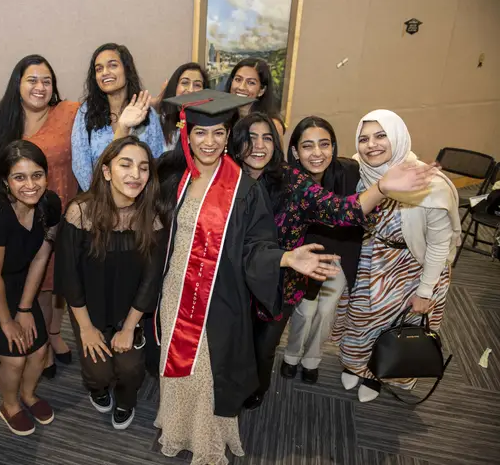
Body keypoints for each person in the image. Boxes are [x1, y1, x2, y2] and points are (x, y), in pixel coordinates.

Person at [153, 90, 342, 465]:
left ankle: (206, 439)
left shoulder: (243, 188)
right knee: (174, 362)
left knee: (208, 369)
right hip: (175, 287)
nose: (210, 141)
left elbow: (256, 244)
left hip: (218, 293)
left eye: (219, 133)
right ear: (186, 135)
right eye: (201, 133)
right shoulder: (174, 177)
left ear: (227, 137)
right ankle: (175, 426)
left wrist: (287, 257)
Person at [227, 112, 438, 409]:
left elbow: (338, 209)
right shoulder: (224, 179)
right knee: (232, 341)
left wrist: (380, 189)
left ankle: (256, 389)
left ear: (276, 145)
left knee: (264, 347)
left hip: (278, 285)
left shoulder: (291, 180)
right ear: (236, 144)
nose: (259, 146)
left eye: (267, 138)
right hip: (231, 281)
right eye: (250, 138)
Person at [331, 109, 461, 403]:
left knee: (394, 325)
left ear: (398, 137)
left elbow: (440, 245)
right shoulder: (360, 173)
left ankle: (379, 376)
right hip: (369, 261)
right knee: (361, 319)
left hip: (412, 268)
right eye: (363, 138)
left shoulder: (429, 184)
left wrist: (425, 291)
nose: (371, 145)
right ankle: (357, 366)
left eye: (381, 136)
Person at [55, 136, 167, 430]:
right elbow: (68, 276)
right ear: (106, 171)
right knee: (99, 372)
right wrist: (87, 328)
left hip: (129, 310)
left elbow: (151, 279)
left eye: (143, 168)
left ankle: (127, 401)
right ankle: (98, 390)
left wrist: (130, 327)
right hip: (88, 309)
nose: (135, 175)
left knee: (130, 370)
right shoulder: (79, 212)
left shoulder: (151, 217)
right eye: (125, 165)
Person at [0, 54, 77, 378]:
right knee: (23, 277)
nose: (40, 87)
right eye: (32, 80)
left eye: (46, 81)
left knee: (51, 280)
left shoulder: (70, 113)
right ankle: (32, 338)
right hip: (15, 218)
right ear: (17, 83)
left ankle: (51, 335)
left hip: (57, 211)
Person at [0, 140, 60, 435]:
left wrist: (24, 308)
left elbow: (41, 256)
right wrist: (7, 321)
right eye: (19, 177)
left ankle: (29, 395)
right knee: (15, 357)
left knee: (40, 350)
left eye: (37, 175)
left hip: (21, 284)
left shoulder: (50, 204)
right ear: (6, 181)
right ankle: (10, 405)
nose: (30, 185)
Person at [281, 116, 363, 383]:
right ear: (295, 151)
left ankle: (312, 359)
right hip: (302, 257)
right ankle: (291, 355)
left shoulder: (349, 172)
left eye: (324, 144)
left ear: (333, 146)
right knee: (304, 312)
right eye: (308, 146)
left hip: (338, 254)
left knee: (326, 312)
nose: (317, 153)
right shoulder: (287, 179)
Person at [71, 43, 164, 191]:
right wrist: (99, 198)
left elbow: (157, 163)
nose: (105, 72)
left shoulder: (146, 113)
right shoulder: (86, 113)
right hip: (97, 202)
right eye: (99, 69)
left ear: (127, 70)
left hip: (140, 203)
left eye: (112, 65)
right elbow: (80, 165)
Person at [223, 57, 285, 142]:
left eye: (251, 82)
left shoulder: (272, 125)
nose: (241, 87)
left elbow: (278, 155)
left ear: (261, 90)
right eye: (238, 79)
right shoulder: (223, 119)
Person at [156, 62, 209, 151]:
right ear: (175, 87)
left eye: (197, 85)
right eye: (185, 83)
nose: (191, 90)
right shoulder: (159, 122)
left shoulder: (209, 125)